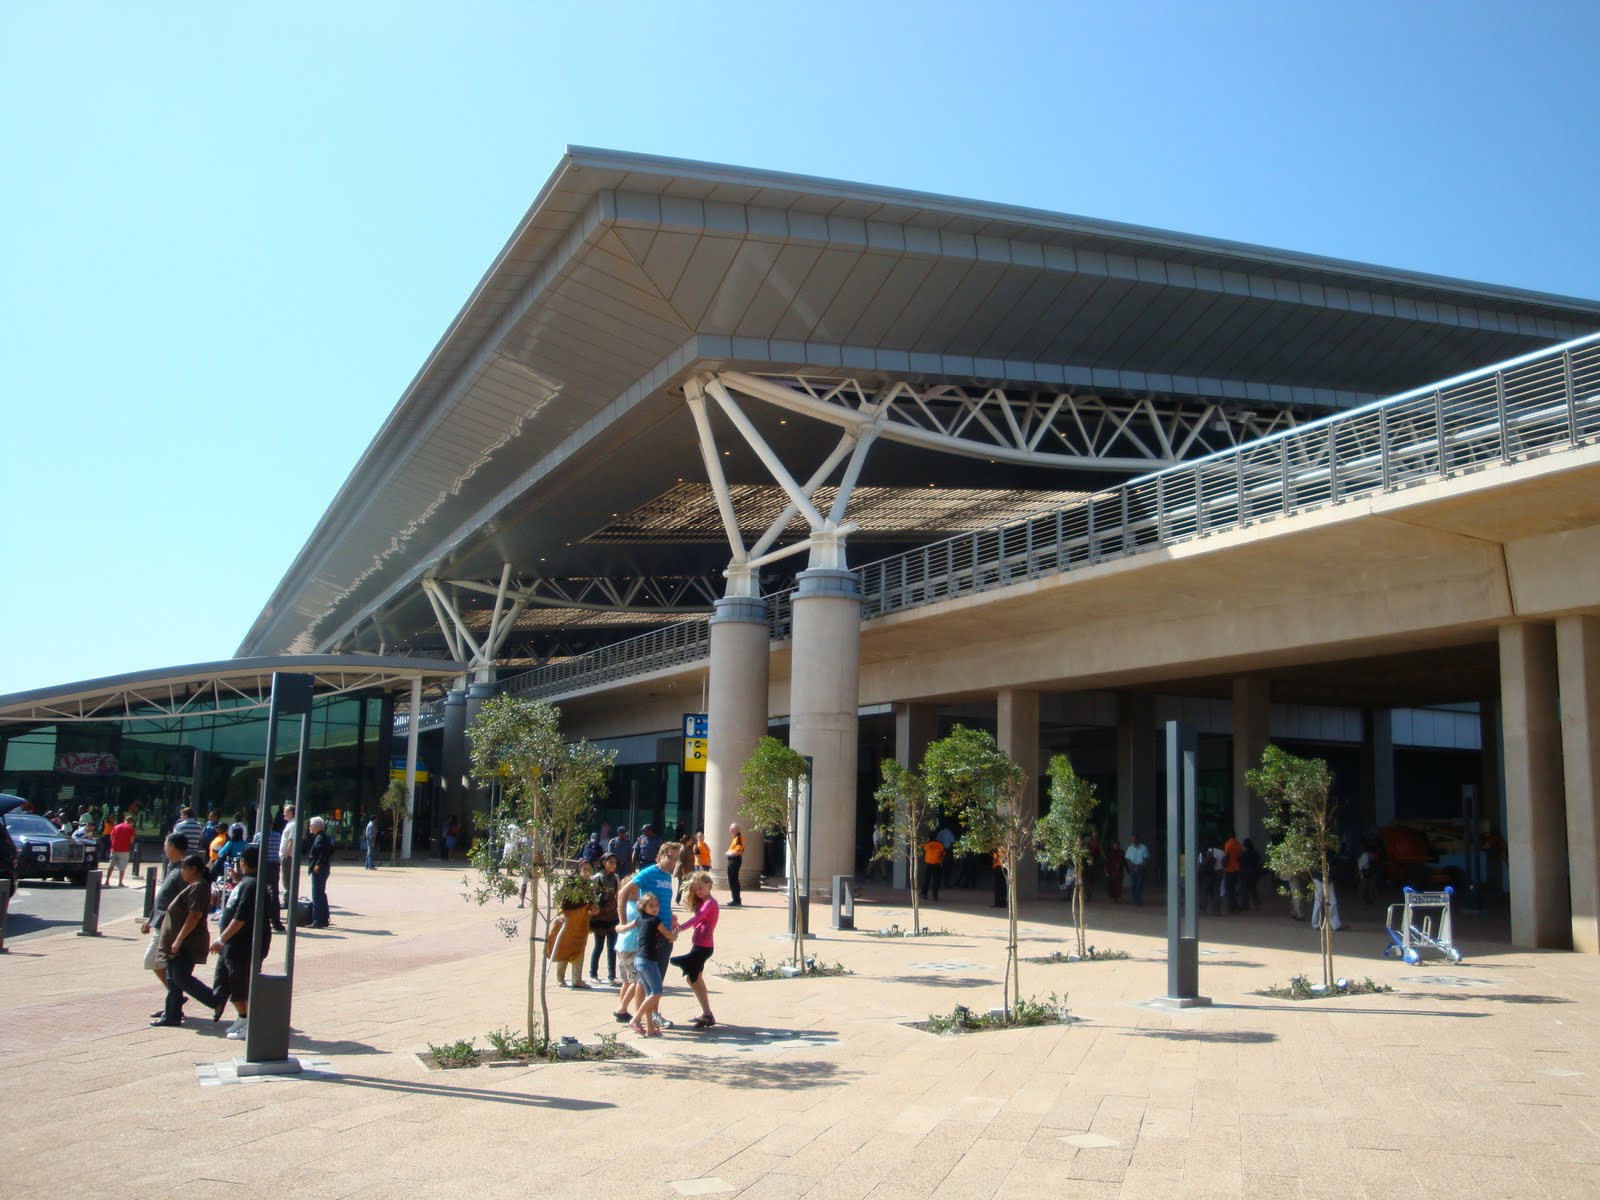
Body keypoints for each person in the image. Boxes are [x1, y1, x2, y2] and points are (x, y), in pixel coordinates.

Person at [152, 853, 221, 1028]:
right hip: (178, 941)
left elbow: (195, 915)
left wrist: (178, 940)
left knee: (180, 977)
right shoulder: (193, 886)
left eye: (184, 868)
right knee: (172, 978)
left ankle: (214, 1000)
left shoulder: (199, 887)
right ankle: (172, 1015)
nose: (181, 871)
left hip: (187, 943)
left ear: (194, 869)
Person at [211, 844, 271, 1040]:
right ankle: (242, 1017)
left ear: (244, 862)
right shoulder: (248, 882)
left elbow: (241, 917)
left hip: (243, 945)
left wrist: (222, 938)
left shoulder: (253, 885)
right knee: (228, 982)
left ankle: (249, 1022)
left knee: (241, 984)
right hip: (234, 945)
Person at [140, 834, 190, 1013]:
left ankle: (175, 998)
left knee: (153, 960)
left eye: (166, 844)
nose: (164, 846)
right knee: (159, 963)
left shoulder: (183, 870)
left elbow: (181, 901)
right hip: (160, 922)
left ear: (173, 846)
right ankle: (174, 999)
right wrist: (150, 918)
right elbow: (162, 896)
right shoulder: (172, 866)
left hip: (168, 925)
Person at [620, 891, 675, 1036]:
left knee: (649, 994)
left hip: (639, 960)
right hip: (648, 961)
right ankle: (635, 1019)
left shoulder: (639, 919)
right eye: (651, 906)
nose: (655, 908)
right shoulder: (655, 921)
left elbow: (624, 928)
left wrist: (618, 927)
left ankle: (650, 1028)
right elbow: (669, 935)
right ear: (643, 907)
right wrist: (675, 932)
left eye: (656, 905)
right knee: (657, 993)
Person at [670, 871, 719, 1027]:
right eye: (696, 889)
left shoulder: (710, 903)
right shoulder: (701, 902)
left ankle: (708, 1014)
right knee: (694, 979)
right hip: (698, 944)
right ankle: (707, 1014)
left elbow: (698, 918)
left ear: (709, 886)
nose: (698, 891)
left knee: (692, 976)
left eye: (701, 888)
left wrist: (680, 929)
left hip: (704, 947)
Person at [546, 884, 592, 988]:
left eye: (589, 870)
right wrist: (560, 914)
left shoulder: (589, 887)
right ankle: (560, 978)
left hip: (581, 923)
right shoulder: (569, 885)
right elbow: (559, 901)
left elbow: (592, 903)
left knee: (579, 949)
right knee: (564, 948)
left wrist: (593, 908)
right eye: (584, 869)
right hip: (567, 922)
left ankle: (577, 979)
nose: (587, 872)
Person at [588, 853, 621, 984]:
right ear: (604, 862)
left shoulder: (616, 878)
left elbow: (618, 895)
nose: (613, 865)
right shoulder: (597, 878)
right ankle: (593, 973)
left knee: (613, 947)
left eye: (614, 862)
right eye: (610, 862)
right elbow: (591, 896)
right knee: (598, 946)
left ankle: (612, 976)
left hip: (612, 915)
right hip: (600, 917)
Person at [251, 818, 287, 933]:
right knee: (274, 894)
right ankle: (276, 922)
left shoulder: (259, 836)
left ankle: (260, 920)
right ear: (271, 825)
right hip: (274, 866)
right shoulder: (277, 836)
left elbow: (253, 850)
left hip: (262, 866)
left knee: (260, 893)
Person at [306, 816, 334, 928]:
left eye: (311, 825)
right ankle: (324, 918)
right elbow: (331, 850)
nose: (309, 828)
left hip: (320, 869)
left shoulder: (320, 838)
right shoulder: (323, 837)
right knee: (321, 893)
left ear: (317, 826)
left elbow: (323, 852)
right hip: (324, 868)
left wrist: (318, 864)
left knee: (317, 894)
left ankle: (318, 920)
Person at [105, 812, 136, 888]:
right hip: (124, 850)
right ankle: (120, 882)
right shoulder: (131, 828)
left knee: (111, 865)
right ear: (131, 822)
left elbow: (111, 837)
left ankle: (107, 881)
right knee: (122, 866)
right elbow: (131, 840)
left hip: (114, 848)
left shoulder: (116, 827)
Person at [278, 805, 298, 904]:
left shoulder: (293, 824)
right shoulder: (290, 824)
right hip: (286, 855)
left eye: (285, 811)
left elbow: (291, 840)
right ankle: (287, 900)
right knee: (285, 878)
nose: (283, 814)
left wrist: (287, 854)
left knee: (287, 879)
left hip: (288, 856)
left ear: (291, 812)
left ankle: (287, 901)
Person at [1124, 834, 1149, 906]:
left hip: (1141, 868)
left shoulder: (1143, 847)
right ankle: (1135, 899)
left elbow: (1146, 859)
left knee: (1139, 885)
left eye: (1134, 839)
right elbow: (1128, 859)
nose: (1133, 841)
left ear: (1138, 839)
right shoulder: (1130, 848)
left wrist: (1140, 866)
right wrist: (1133, 866)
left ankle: (1138, 900)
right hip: (1132, 868)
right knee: (1133, 885)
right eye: (1132, 839)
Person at [1240, 837, 1263, 911]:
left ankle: (1245, 905)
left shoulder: (1244, 854)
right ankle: (1256, 905)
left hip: (1245, 874)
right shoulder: (1255, 853)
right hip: (1254, 873)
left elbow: (1241, 862)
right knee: (1253, 890)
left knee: (1245, 890)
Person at [1223, 832, 1244, 914]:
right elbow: (1240, 856)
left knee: (1228, 890)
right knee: (1233, 889)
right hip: (1236, 869)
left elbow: (1227, 855)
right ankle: (1234, 906)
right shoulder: (1239, 844)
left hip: (1229, 869)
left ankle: (1233, 907)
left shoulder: (1228, 844)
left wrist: (1225, 865)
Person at [725, 823, 745, 906]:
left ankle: (736, 899)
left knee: (733, 880)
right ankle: (735, 899)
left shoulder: (739, 838)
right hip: (733, 860)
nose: (730, 831)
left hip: (734, 860)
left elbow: (739, 851)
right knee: (732, 880)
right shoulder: (736, 838)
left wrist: (730, 853)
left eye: (731, 829)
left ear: (734, 830)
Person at [919, 836, 944, 901]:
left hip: (929, 864)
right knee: (936, 880)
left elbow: (923, 848)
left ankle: (924, 894)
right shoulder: (939, 844)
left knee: (927, 879)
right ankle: (935, 895)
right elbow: (943, 853)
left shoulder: (927, 844)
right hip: (937, 864)